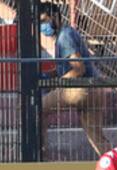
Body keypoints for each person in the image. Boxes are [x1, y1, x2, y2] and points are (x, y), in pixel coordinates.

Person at [39, 3, 110, 158]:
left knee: (37, 110)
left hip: (80, 89)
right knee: (96, 136)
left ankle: (40, 156)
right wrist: (48, 74)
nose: (43, 27)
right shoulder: (69, 33)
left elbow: (78, 68)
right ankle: (116, 166)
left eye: (44, 21)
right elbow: (66, 69)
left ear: (55, 17)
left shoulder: (64, 37)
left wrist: (55, 82)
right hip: (95, 90)